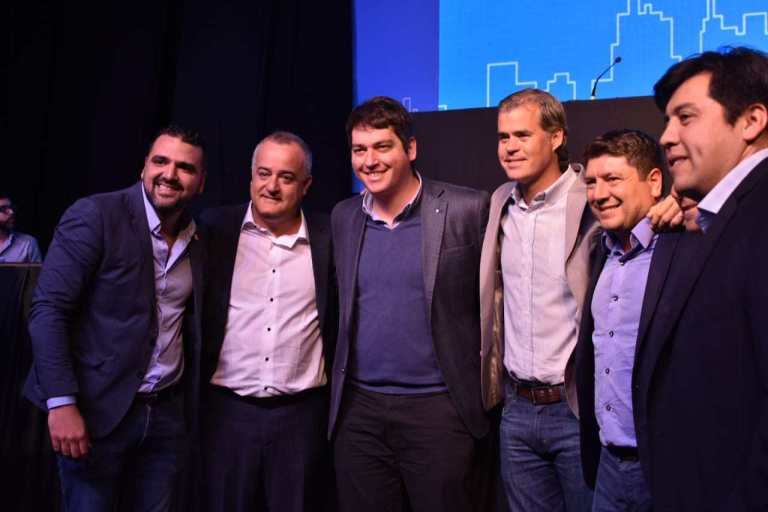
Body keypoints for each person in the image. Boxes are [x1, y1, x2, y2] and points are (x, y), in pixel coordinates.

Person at [479, 89, 679, 511]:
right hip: (516, 411)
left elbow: (646, 203)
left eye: (522, 135)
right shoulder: (499, 203)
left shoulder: (590, 202)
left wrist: (676, 203)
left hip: (575, 410)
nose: (510, 147)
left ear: (555, 138)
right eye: (503, 137)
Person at [24, 125, 207, 511]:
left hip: (166, 418)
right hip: (94, 413)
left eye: (185, 168)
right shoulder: (96, 215)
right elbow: (48, 311)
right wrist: (61, 403)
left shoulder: (198, 238)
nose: (170, 175)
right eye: (161, 161)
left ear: (201, 182)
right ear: (144, 167)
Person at [329, 96, 490, 512]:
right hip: (359, 413)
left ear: (410, 149)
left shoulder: (466, 209)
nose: (369, 161)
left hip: (438, 410)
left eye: (382, 147)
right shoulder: (344, 217)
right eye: (359, 149)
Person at [633, 46, 768, 511]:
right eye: (667, 121)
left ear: (751, 121)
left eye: (686, 117)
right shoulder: (717, 221)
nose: (666, 137)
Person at [199, 131, 336, 512]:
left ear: (305, 185)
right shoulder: (214, 230)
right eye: (263, 174)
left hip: (301, 419)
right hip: (227, 415)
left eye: (286, 177)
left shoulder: (331, 237)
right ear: (251, 177)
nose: (271, 186)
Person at [574, 129, 679, 511]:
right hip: (607, 465)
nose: (599, 194)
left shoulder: (684, 245)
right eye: (591, 182)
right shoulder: (599, 252)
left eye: (613, 179)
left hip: (668, 467)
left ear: (654, 182)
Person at [0, 194, 42, 263]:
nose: (11, 212)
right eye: (3, 208)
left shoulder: (28, 243)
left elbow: (38, 273)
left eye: (11, 207)